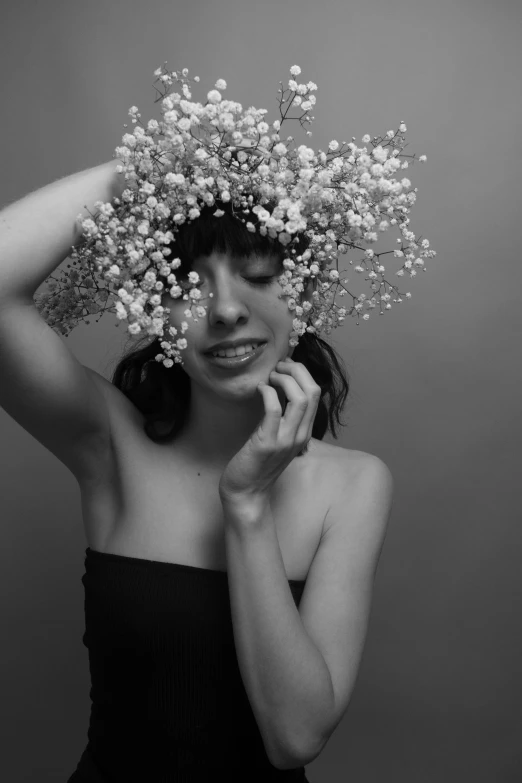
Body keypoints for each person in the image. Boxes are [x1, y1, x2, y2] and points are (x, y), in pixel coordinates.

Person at [0, 159, 394, 782]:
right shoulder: (110, 446)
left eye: (258, 274)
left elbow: (295, 737)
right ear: (155, 316)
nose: (225, 309)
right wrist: (149, 166)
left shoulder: (354, 485)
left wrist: (246, 504)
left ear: (306, 294)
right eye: (186, 284)